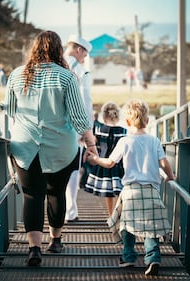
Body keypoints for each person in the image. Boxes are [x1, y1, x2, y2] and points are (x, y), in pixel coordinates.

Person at [4, 30, 98, 266]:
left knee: (32, 195)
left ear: (34, 48)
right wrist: (91, 143)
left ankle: (34, 248)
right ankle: (55, 240)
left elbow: (11, 110)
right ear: (58, 49)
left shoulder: (16, 75)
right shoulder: (67, 77)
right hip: (61, 147)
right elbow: (78, 117)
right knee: (56, 193)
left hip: (25, 146)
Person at [87, 99, 174, 276]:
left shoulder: (125, 141)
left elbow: (110, 163)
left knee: (127, 225)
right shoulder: (154, 140)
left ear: (126, 122)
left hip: (130, 190)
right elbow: (164, 163)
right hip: (151, 189)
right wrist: (171, 176)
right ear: (148, 121)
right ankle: (153, 258)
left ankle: (128, 257)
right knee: (151, 228)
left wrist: (95, 160)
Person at [64, 34, 93, 222]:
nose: (84, 58)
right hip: (73, 128)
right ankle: (70, 211)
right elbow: (86, 102)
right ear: (79, 50)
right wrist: (87, 130)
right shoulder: (81, 72)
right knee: (73, 169)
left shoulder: (52, 65)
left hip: (49, 126)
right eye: (85, 55)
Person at [85, 102, 127, 216]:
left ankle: (110, 215)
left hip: (103, 163)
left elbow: (93, 145)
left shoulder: (99, 130)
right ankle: (121, 214)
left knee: (108, 194)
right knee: (121, 191)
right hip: (119, 164)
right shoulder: (123, 131)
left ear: (103, 116)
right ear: (118, 116)